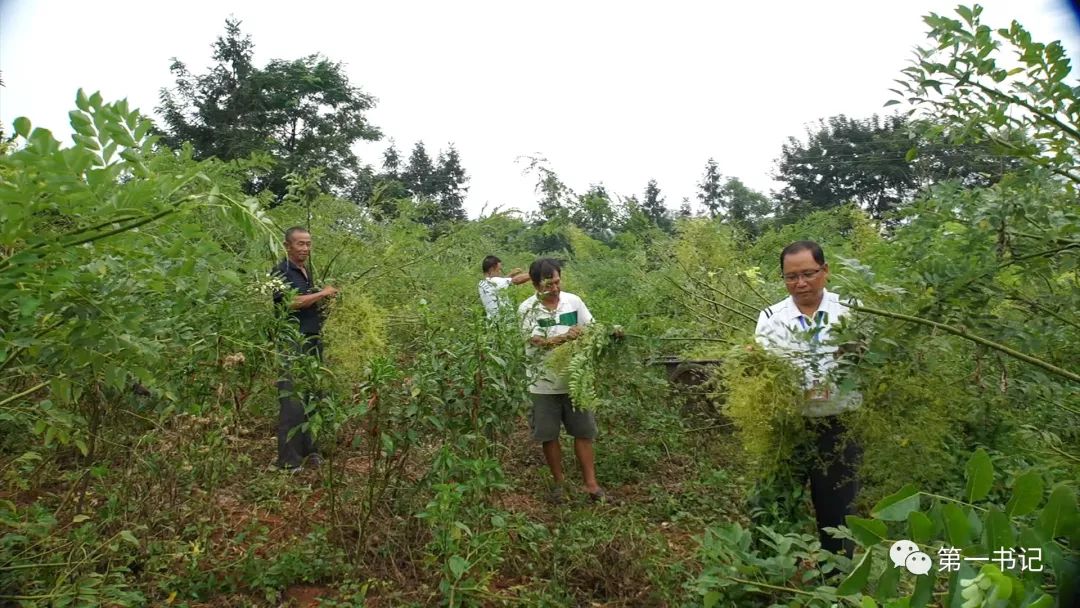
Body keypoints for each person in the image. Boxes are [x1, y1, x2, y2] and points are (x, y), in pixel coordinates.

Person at [754, 240, 862, 556]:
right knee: (775, 502)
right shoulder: (771, 316)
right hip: (789, 425)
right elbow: (763, 373)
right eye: (791, 277)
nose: (800, 283)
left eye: (808, 274)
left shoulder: (852, 309)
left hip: (840, 425)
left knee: (838, 508)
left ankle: (838, 580)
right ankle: (774, 574)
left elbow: (873, 359)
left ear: (825, 271)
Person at [517, 258, 606, 503]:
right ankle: (560, 485)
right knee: (549, 435)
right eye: (548, 284)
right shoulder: (527, 309)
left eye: (556, 282)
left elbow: (591, 327)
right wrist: (565, 338)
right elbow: (535, 340)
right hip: (543, 384)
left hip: (575, 381)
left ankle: (591, 484)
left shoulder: (574, 302)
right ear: (535, 285)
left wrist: (601, 334)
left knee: (584, 432)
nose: (554, 288)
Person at [270, 227, 338, 471]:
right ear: (287, 246)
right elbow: (292, 302)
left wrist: (324, 299)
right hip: (293, 341)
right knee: (293, 400)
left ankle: (310, 452)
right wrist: (323, 293)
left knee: (314, 395)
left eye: (308, 244)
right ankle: (288, 461)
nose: (305, 249)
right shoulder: (279, 272)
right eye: (300, 244)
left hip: (312, 340)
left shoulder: (305, 272)